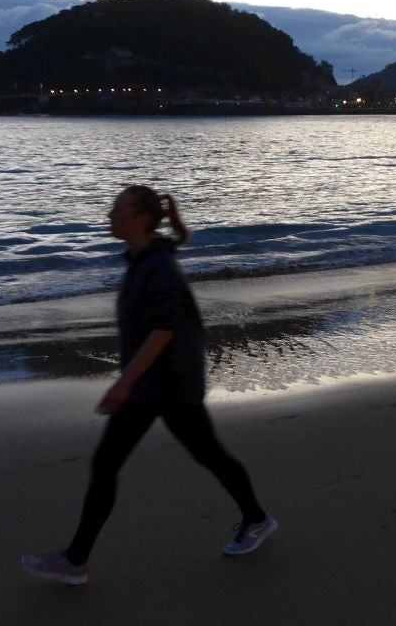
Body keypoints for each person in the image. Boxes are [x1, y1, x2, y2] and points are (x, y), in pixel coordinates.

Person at [22, 186, 276, 585]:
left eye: (117, 209)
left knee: (198, 455)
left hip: (169, 386)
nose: (109, 214)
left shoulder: (158, 268)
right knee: (181, 457)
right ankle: (75, 560)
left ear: (139, 218)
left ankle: (74, 561)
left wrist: (123, 384)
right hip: (155, 385)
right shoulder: (144, 260)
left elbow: (163, 331)